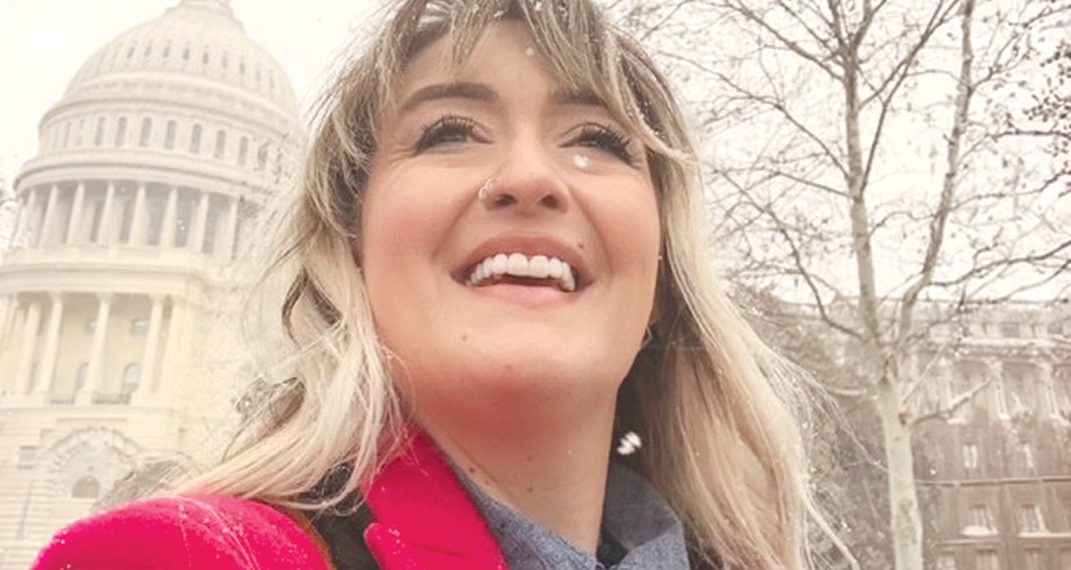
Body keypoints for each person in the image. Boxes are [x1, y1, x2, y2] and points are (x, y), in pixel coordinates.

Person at [32, 0, 813, 568]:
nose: (529, 177)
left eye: (597, 140)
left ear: (663, 281)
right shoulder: (176, 558)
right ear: (352, 250)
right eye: (449, 132)